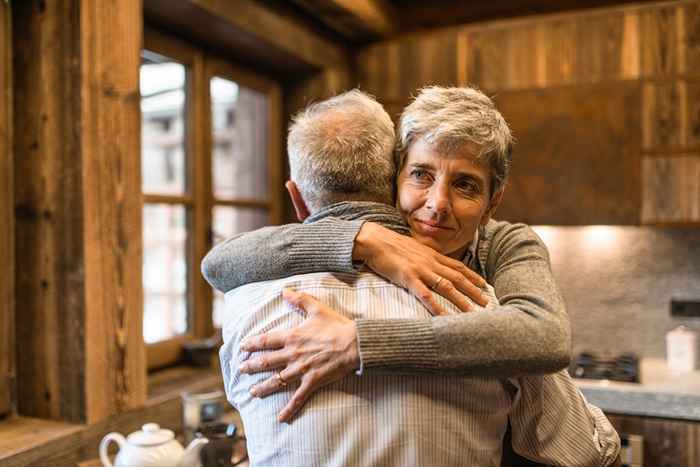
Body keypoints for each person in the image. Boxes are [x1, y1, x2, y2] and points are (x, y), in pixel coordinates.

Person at [213, 89, 620, 466]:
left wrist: (361, 342)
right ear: (394, 177)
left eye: (465, 185)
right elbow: (219, 263)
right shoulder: (373, 248)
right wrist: (361, 238)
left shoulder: (502, 251)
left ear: (493, 202)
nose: (437, 205)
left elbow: (543, 337)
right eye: (422, 175)